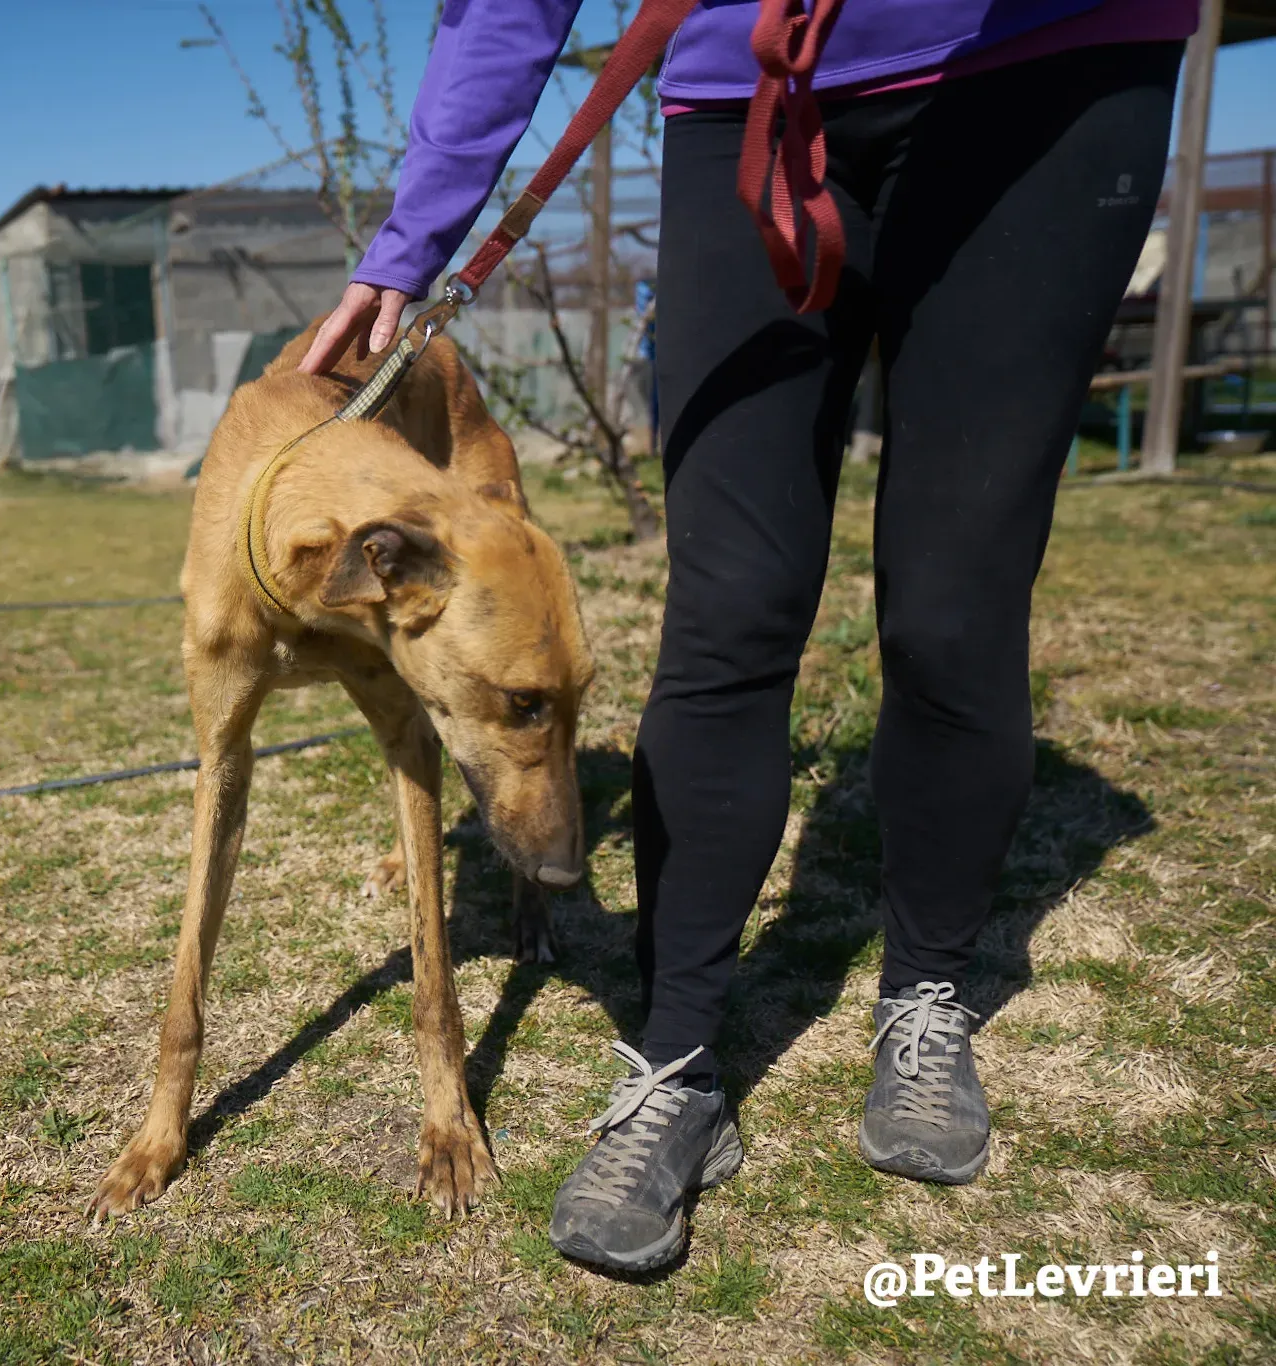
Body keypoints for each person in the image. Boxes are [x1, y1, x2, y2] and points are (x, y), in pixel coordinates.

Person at [300, 0, 1200, 1273]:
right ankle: (669, 1063)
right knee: (726, 611)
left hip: (1044, 77)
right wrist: (414, 234)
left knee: (952, 607)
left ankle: (925, 993)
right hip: (750, 96)